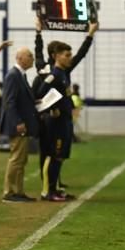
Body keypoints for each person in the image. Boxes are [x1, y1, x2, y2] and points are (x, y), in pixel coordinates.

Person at [35, 21, 99, 201]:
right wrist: (52, 108)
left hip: (65, 120)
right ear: (56, 56)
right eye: (67, 55)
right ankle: (47, 191)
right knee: (52, 155)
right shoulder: (52, 74)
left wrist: (90, 35)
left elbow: (81, 54)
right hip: (53, 122)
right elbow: (39, 94)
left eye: (70, 54)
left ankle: (55, 189)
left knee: (60, 156)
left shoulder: (65, 72)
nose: (70, 57)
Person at [0, 47, 38, 203]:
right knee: (16, 158)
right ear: (20, 58)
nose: (32, 59)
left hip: (23, 124)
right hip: (18, 125)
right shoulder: (13, 76)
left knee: (21, 159)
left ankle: (19, 191)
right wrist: (18, 122)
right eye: (30, 56)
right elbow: (9, 102)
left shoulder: (20, 76)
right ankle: (9, 192)